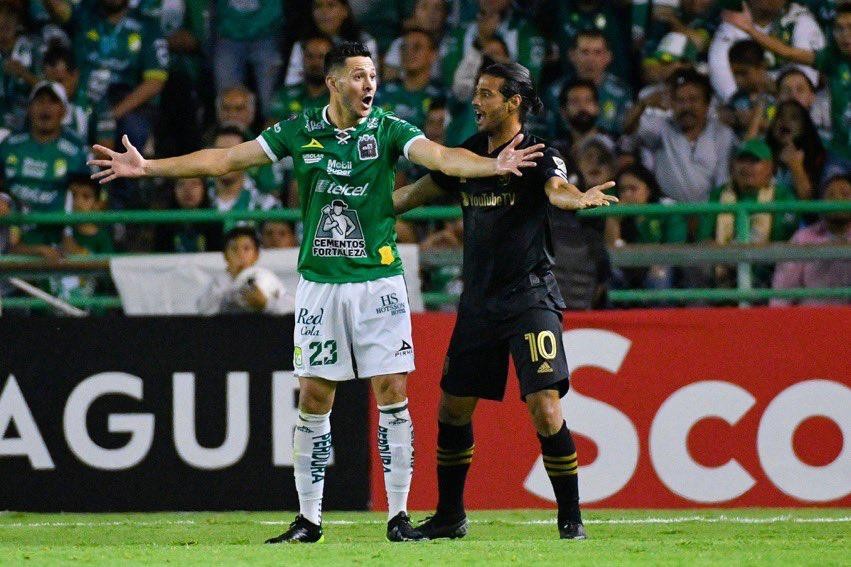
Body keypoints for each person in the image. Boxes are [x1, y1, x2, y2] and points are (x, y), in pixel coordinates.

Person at [88, 41, 544, 543]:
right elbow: (224, 160)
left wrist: (492, 166)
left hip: (378, 281)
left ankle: (398, 517)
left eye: (372, 76)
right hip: (320, 285)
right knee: (314, 397)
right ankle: (309, 519)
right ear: (333, 82)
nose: (369, 84)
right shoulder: (299, 130)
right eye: (357, 76)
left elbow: (441, 156)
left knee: (393, 394)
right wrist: (147, 167)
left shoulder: (390, 130)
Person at [392, 61, 617, 541]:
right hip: (478, 302)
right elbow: (413, 193)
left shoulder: (539, 155)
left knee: (544, 406)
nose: (476, 101)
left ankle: (570, 520)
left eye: (487, 94)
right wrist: (352, 202)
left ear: (514, 102)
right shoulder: (468, 155)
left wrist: (577, 198)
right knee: (452, 409)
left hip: (528, 297)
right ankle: (451, 518)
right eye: (476, 92)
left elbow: (558, 190)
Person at [724, 1, 851, 164]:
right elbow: (786, 52)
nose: (845, 35)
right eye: (839, 28)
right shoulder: (831, 60)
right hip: (840, 155)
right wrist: (751, 30)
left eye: (850, 27)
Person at [1, 82, 90, 259]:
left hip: (59, 236)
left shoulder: (76, 151)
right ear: (29, 108)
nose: (45, 108)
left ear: (63, 111)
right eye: (39, 101)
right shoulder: (9, 145)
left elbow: (88, 197)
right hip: (11, 234)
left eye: (52, 102)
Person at [626, 68, 737, 205]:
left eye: (693, 100)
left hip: (710, 210)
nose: (686, 107)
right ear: (672, 104)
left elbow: (723, 180)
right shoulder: (661, 127)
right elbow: (628, 128)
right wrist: (642, 104)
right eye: (680, 100)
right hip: (670, 211)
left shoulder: (722, 133)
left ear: (707, 104)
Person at [697, 139, 798, 289]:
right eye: (742, 161)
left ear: (770, 168)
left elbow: (781, 243)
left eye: (754, 161)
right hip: (722, 269)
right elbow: (704, 239)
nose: (747, 167)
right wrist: (728, 259)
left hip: (766, 270)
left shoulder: (783, 196)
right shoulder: (718, 194)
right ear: (732, 166)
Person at [710, 0, 825, 103]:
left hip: (798, 110)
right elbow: (723, 80)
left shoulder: (801, 19)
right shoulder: (732, 24)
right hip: (748, 109)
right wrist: (741, 104)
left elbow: (805, 83)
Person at [771, 174, 851, 305]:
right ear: (820, 202)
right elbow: (783, 291)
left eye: (845, 194)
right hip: (812, 320)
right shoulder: (802, 238)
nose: (837, 199)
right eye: (830, 195)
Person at [197, 225, 294, 315]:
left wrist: (266, 304)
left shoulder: (266, 278)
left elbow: (292, 307)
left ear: (256, 255)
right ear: (226, 255)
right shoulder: (218, 282)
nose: (240, 254)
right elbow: (203, 310)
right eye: (234, 249)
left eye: (246, 249)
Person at [212, 0, 284, 118]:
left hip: (266, 36)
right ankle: (229, 133)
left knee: (271, 102)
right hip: (228, 35)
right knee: (228, 99)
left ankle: (274, 134)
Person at [284, 0, 377, 87]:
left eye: (331, 5)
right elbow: (292, 82)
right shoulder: (302, 43)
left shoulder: (364, 43)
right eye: (318, 6)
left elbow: (371, 83)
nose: (324, 12)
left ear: (345, 11)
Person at [268, 34, 332, 123]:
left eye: (321, 57)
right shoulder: (286, 94)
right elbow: (269, 131)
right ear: (302, 58)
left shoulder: (342, 97)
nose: (315, 63)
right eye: (310, 56)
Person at [153, 177, 223, 253]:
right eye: (181, 184)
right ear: (173, 189)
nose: (187, 190)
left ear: (204, 188)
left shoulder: (214, 222)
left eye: (194, 184)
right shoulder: (164, 224)